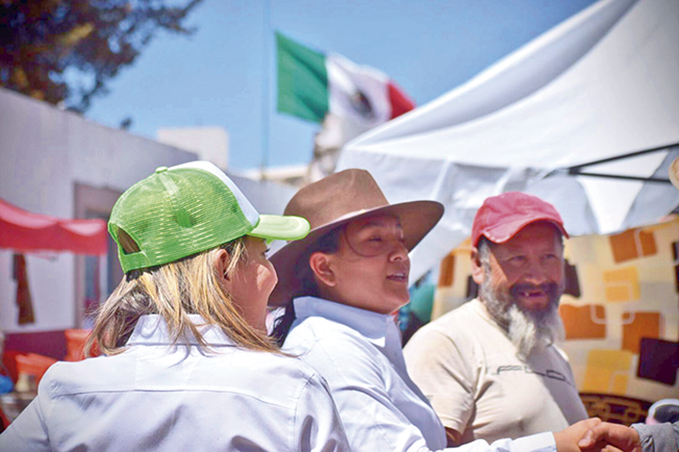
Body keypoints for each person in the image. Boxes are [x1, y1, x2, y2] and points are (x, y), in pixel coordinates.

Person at [0, 161, 350, 451]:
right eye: (263, 255)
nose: (272, 276)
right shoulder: (291, 391)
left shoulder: (67, 391)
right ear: (223, 267)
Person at [270, 170, 604, 452]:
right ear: (325, 269)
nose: (401, 253)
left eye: (400, 239)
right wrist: (556, 445)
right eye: (375, 240)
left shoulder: (355, 345)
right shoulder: (334, 351)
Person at [403, 191, 588, 446]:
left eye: (549, 257)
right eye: (518, 258)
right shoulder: (445, 343)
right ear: (478, 265)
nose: (537, 276)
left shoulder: (555, 355)